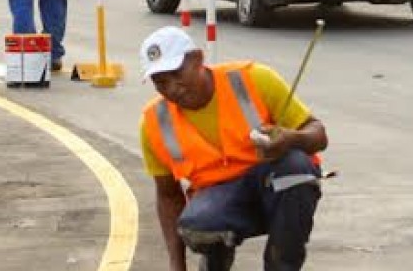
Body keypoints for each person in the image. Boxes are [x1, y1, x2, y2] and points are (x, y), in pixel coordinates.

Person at [139, 26, 328, 271]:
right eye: (161, 82)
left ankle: (281, 265)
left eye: (177, 73)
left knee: (297, 170)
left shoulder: (253, 79)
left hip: (273, 188)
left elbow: (318, 134)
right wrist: (177, 265)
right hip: (221, 202)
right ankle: (216, 257)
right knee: (196, 224)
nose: (173, 88)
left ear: (197, 59)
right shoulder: (155, 122)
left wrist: (291, 139)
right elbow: (168, 195)